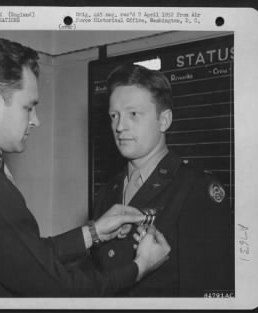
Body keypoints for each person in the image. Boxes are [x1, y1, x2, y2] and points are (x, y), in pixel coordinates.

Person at [0, 37, 171, 297]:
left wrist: (93, 232)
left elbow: (26, 259)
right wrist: (140, 267)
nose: (36, 120)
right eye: (28, 107)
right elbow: (58, 288)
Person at [90, 64, 234, 297]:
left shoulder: (196, 189)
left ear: (164, 120)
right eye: (114, 115)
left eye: (133, 114)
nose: (119, 126)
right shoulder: (108, 191)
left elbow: (206, 291)